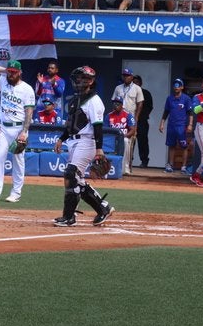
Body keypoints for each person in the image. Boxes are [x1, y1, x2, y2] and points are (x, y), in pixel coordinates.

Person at [53, 66, 115, 227]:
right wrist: (61, 139)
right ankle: (102, 207)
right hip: (74, 141)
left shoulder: (94, 101)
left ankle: (69, 217)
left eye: (82, 78)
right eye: (77, 78)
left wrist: (99, 149)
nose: (79, 81)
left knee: (71, 174)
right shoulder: (76, 100)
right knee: (76, 180)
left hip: (87, 141)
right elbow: (71, 125)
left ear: (91, 81)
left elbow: (98, 126)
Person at [0, 60, 35, 203]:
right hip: (3, 127)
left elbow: (29, 112)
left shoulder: (27, 89)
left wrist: (24, 132)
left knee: (18, 161)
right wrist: (5, 69)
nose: (11, 75)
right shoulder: (3, 82)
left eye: (14, 72)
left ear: (20, 73)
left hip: (19, 128)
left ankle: (15, 193)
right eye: (10, 72)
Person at [111, 68, 144, 174]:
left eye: (127, 75)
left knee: (130, 143)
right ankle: (115, 166)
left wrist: (136, 117)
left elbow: (140, 104)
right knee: (116, 142)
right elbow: (114, 102)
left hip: (130, 116)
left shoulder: (137, 88)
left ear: (132, 77)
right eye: (124, 75)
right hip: (119, 116)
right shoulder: (118, 88)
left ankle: (127, 167)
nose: (125, 77)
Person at [158, 79, 192, 175]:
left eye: (178, 85)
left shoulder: (186, 99)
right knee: (171, 145)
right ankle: (170, 166)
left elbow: (190, 113)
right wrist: (162, 123)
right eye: (175, 85)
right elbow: (166, 112)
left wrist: (190, 124)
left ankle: (184, 167)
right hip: (171, 125)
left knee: (184, 146)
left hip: (181, 126)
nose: (176, 87)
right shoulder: (169, 98)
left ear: (182, 87)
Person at [107, 97, 137, 176]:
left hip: (124, 137)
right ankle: (106, 168)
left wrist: (123, 136)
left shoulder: (128, 115)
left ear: (122, 105)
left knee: (125, 141)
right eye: (114, 103)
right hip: (112, 139)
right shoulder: (109, 116)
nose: (115, 105)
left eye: (117, 103)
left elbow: (132, 130)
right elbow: (105, 130)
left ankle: (125, 168)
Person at [133, 75, 153, 168]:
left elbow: (150, 107)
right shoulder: (130, 92)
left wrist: (141, 116)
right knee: (130, 141)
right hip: (130, 121)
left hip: (142, 121)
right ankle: (128, 161)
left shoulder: (146, 93)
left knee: (143, 142)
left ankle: (144, 161)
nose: (135, 84)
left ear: (141, 83)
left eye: (137, 82)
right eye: (134, 82)